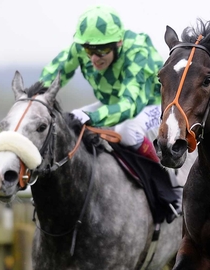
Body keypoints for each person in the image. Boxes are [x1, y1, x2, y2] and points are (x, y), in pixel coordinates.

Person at [39, 5, 180, 220]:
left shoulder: (137, 51)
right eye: (89, 50)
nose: (94, 58)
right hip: (114, 103)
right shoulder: (82, 48)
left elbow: (128, 105)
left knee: (128, 129)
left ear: (119, 43)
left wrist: (93, 117)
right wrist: (36, 99)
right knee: (68, 121)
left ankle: (167, 186)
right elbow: (53, 75)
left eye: (102, 50)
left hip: (151, 104)